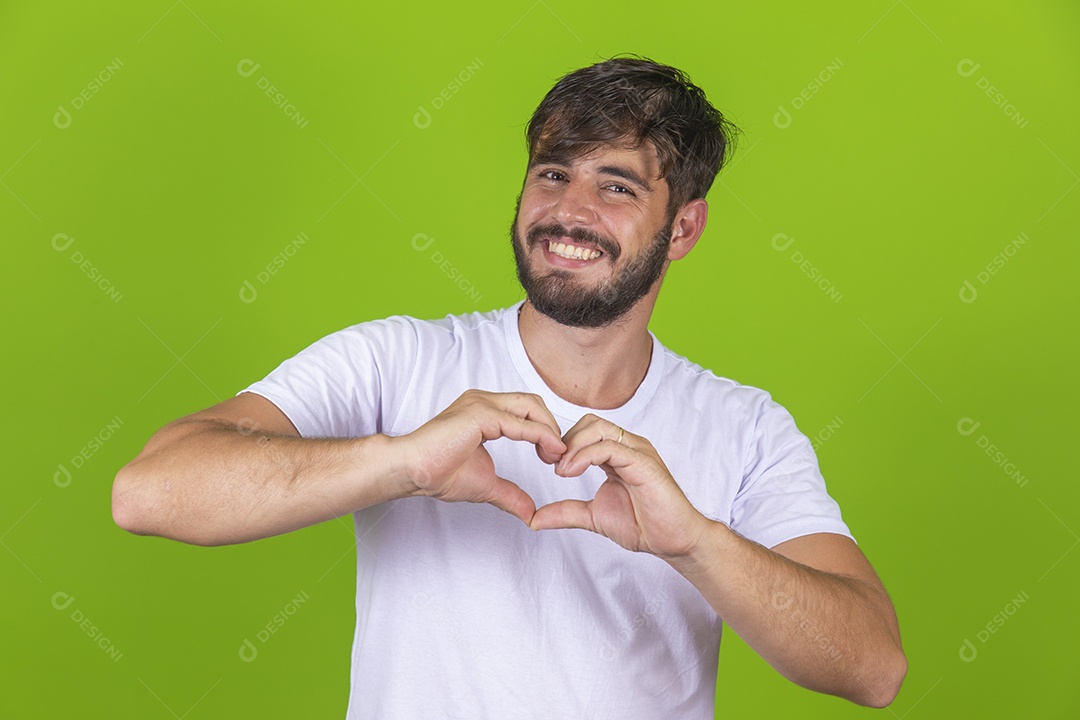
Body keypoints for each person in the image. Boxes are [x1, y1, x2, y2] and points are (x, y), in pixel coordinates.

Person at [112, 56, 906, 717]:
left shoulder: (746, 428)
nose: (569, 211)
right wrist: (403, 463)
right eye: (552, 173)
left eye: (618, 186)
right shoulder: (397, 361)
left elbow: (873, 667)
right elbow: (150, 494)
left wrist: (693, 542)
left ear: (684, 229)